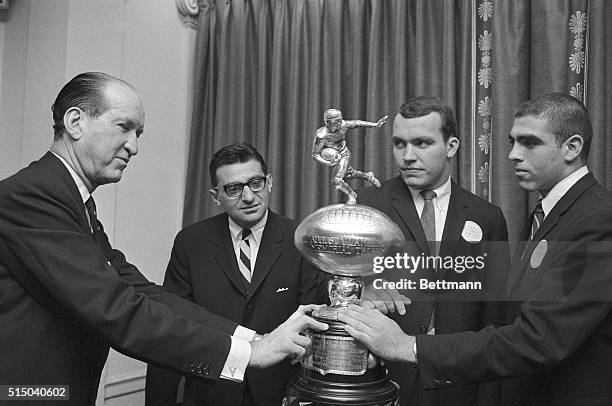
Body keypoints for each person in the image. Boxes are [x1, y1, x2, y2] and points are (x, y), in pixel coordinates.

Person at [0, 72, 327, 405]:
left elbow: (141, 292)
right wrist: (250, 353)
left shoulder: (73, 200)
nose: (134, 146)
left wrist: (253, 338)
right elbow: (117, 308)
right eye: (123, 127)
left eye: (138, 133)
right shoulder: (34, 195)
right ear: (75, 122)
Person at [341, 93, 612, 405]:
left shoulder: (599, 221)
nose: (512, 154)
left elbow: (541, 338)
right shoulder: (548, 214)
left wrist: (408, 346)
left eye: (529, 143)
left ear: (572, 148)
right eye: (512, 142)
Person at [145, 143, 330, 405]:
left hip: (282, 393)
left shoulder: (301, 239)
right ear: (214, 196)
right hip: (211, 391)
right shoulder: (191, 242)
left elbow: (314, 321)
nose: (248, 196)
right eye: (233, 188)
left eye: (255, 182)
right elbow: (172, 323)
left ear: (270, 182)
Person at [357, 96, 510, 406]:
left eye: (422, 143)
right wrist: (361, 290)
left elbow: (497, 317)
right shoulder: (366, 205)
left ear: (451, 146)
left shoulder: (486, 216)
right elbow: (324, 286)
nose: (407, 156)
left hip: (460, 385)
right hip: (383, 382)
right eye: (399, 144)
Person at [312, 108, 387, 203]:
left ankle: (352, 195)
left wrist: (374, 125)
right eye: (337, 122)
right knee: (349, 174)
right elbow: (315, 155)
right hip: (332, 156)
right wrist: (328, 162)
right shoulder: (321, 135)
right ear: (328, 122)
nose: (340, 124)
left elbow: (357, 123)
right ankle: (368, 176)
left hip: (344, 154)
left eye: (340, 120)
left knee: (336, 180)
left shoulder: (344, 125)